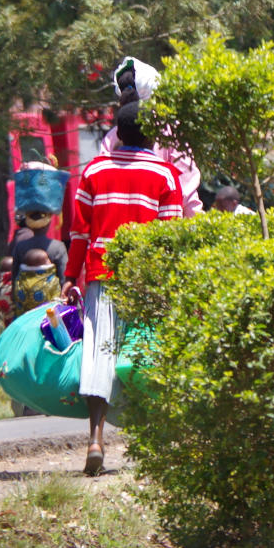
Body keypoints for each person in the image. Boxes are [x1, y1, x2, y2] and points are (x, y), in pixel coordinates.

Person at [61, 101, 183, 475]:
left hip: (101, 273)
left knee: (99, 356)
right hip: (146, 280)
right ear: (150, 134)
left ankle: (95, 440)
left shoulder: (94, 170)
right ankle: (157, 445)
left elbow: (79, 232)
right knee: (148, 357)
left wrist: (70, 274)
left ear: (117, 132)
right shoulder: (165, 174)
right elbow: (171, 236)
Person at [99, 56, 203, 219]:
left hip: (114, 233)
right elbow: (186, 192)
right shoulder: (170, 131)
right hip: (157, 233)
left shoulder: (112, 137)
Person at [11, 210, 68, 316]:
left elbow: (15, 277)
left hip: (25, 309)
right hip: (50, 309)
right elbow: (63, 279)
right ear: (49, 223)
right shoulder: (58, 247)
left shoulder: (20, 247)